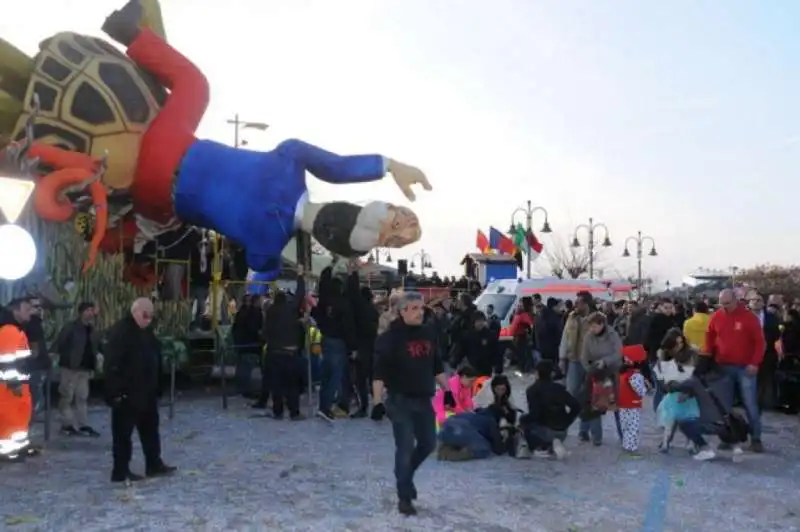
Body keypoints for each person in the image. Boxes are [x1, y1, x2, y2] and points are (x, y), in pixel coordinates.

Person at [370, 291, 453, 516]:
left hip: (424, 399)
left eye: (422, 307)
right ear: (402, 311)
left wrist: (448, 390)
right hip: (400, 401)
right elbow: (379, 373)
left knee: (428, 443)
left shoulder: (428, 333)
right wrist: (377, 401)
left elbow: (436, 366)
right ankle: (404, 496)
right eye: (415, 308)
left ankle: (405, 477)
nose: (420, 312)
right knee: (405, 448)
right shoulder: (389, 338)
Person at [104, 297, 176, 482]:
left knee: (150, 431)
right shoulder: (121, 332)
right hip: (127, 394)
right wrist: (116, 393)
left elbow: (155, 359)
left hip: (147, 392)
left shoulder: (147, 333)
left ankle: (154, 463)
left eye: (151, 316)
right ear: (135, 311)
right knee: (123, 435)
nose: (149, 319)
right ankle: (120, 470)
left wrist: (158, 386)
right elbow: (112, 365)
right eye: (146, 315)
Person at [706, 289, 766, 453]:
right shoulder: (717, 316)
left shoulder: (749, 318)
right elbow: (709, 338)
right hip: (723, 367)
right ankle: (728, 437)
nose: (724, 307)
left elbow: (760, 343)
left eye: (727, 303)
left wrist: (755, 363)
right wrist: (708, 360)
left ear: (736, 300)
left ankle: (756, 438)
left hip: (745, 368)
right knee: (724, 405)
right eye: (721, 303)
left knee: (750, 404)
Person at [669, 354, 746, 462]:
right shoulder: (726, 378)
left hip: (710, 424)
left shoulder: (696, 381)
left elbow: (677, 387)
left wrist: (671, 383)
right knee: (722, 421)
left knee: (684, 423)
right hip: (728, 421)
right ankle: (736, 448)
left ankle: (705, 449)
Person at [314, 263, 358, 421]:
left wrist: (329, 266)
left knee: (326, 375)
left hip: (325, 338)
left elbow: (323, 285)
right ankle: (327, 408)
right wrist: (352, 346)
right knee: (335, 376)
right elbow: (348, 327)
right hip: (338, 342)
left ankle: (322, 406)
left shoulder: (324, 302)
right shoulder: (343, 304)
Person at [262, 267, 306, 420]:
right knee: (291, 385)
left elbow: (265, 332)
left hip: (274, 352)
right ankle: (294, 412)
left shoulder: (270, 312)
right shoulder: (290, 309)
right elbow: (300, 295)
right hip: (289, 352)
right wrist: (300, 276)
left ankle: (278, 411)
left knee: (277, 386)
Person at [577, 311, 623, 445]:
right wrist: (590, 370)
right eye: (590, 327)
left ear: (602, 324)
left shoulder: (612, 335)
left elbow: (619, 352)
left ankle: (624, 435)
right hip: (594, 373)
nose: (592, 329)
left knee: (616, 404)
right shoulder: (588, 337)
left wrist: (606, 361)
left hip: (612, 372)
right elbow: (584, 357)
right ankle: (590, 434)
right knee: (592, 403)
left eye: (594, 326)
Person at [521, 360, 580, 460]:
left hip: (545, 430)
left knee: (524, 423)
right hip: (562, 430)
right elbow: (576, 406)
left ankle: (542, 447)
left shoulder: (532, 390)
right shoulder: (559, 388)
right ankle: (554, 442)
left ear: (537, 373)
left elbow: (535, 414)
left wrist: (523, 420)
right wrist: (567, 421)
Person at [0, 299, 35, 460]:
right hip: (11, 388)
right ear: (16, 311)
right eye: (27, 309)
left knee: (18, 420)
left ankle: (18, 448)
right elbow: (6, 360)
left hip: (17, 385)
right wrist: (14, 384)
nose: (30, 312)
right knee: (11, 420)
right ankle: (7, 451)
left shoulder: (14, 329)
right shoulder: (9, 330)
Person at [653, 330, 697, 451]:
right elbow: (660, 376)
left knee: (689, 418)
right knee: (670, 418)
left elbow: (694, 377)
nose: (679, 345)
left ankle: (691, 442)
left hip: (687, 393)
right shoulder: (664, 354)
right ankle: (666, 441)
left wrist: (688, 392)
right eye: (676, 343)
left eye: (681, 342)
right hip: (672, 392)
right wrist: (668, 387)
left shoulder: (690, 353)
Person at [346, 264, 379, 418]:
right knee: (374, 380)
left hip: (361, 348)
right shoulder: (373, 311)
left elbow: (353, 293)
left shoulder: (360, 309)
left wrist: (352, 274)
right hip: (373, 348)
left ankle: (364, 407)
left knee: (360, 380)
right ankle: (378, 404)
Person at [436, 409, 506, 461]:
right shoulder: (491, 420)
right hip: (463, 429)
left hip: (446, 427)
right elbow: (498, 449)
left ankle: (445, 447)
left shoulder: (473, 414)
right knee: (485, 449)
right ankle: (452, 455)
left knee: (461, 438)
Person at [617, 346, 648, 455]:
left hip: (622, 404)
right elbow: (640, 391)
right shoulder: (635, 375)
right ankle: (632, 449)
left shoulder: (623, 373)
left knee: (625, 427)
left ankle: (626, 446)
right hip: (633, 405)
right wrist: (645, 388)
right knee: (633, 428)